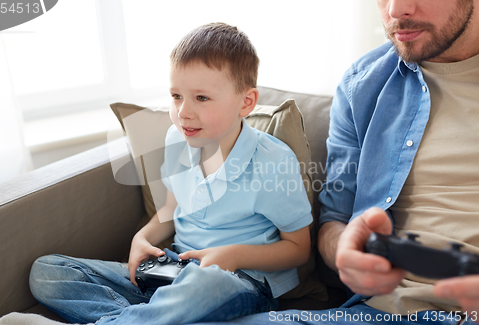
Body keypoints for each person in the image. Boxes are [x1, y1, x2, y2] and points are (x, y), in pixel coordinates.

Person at [0, 23, 313, 325]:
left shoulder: (271, 161)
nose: (183, 112)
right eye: (176, 96)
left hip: (240, 282)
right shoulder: (177, 140)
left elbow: (298, 250)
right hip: (173, 268)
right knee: (46, 272)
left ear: (246, 102)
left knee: (205, 286)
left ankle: (146, 316)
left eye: (201, 98)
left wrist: (231, 256)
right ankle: (155, 315)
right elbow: (170, 211)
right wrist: (141, 239)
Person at [192, 0, 479, 324]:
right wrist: (344, 251)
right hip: (377, 313)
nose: (397, 9)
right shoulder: (362, 85)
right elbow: (336, 218)